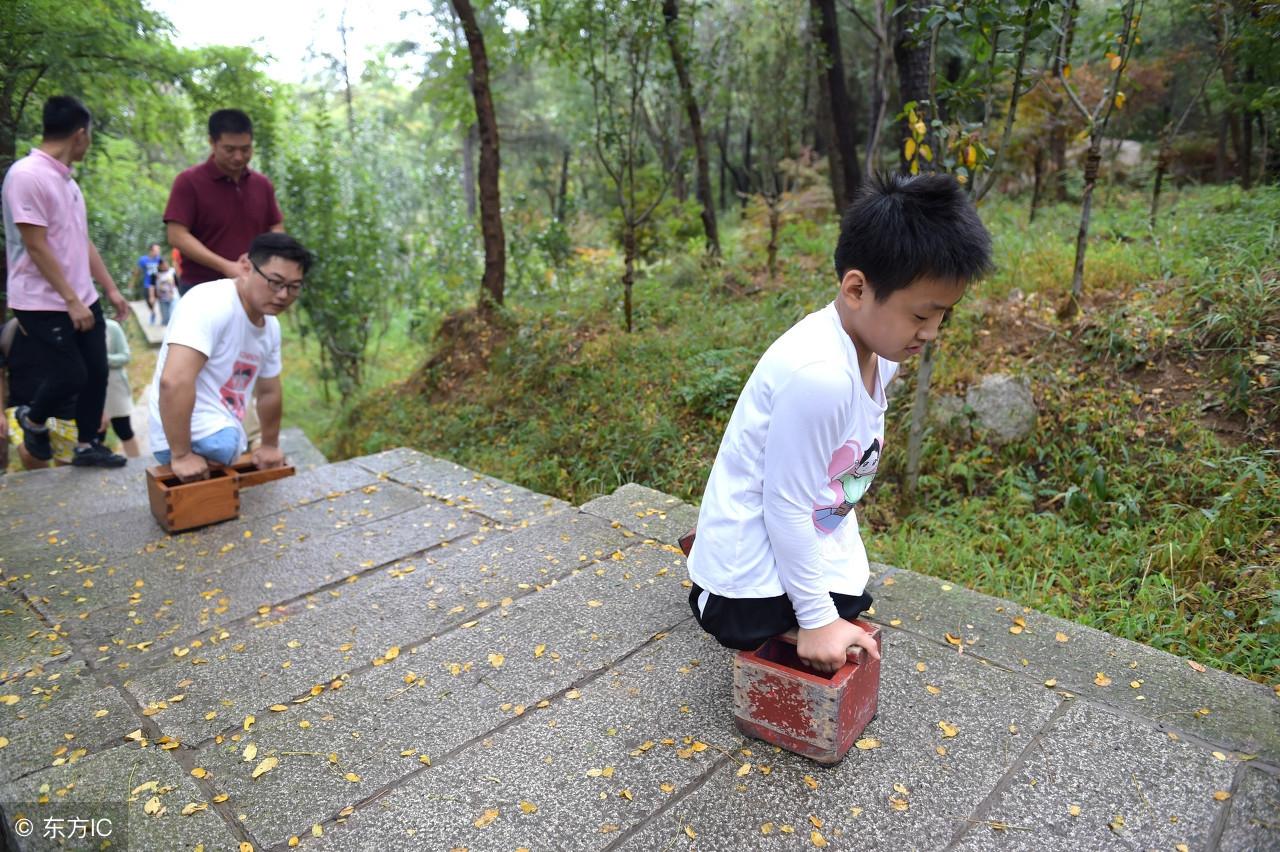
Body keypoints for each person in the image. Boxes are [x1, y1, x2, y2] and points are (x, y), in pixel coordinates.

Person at [685, 173, 992, 673]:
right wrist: (815, 619)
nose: (932, 333)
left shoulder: (880, 351)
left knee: (849, 602)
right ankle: (707, 580)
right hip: (771, 516)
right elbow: (784, 505)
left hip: (814, 515)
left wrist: (825, 615)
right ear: (856, 289)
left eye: (943, 317)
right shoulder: (821, 376)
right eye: (921, 316)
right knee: (750, 618)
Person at [2, 95, 130, 468]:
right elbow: (36, 246)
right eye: (89, 136)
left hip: (80, 295)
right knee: (70, 372)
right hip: (42, 301)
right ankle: (33, 418)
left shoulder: (67, 182)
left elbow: (80, 240)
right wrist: (71, 300)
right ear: (80, 134)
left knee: (97, 370)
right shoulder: (26, 176)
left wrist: (108, 288)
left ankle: (88, 444)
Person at [148, 232, 312, 482]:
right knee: (225, 444)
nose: (282, 295)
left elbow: (269, 391)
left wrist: (269, 445)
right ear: (246, 267)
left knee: (229, 441)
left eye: (294, 287)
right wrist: (181, 455)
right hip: (179, 434)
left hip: (221, 423)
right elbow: (174, 381)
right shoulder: (209, 303)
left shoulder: (270, 327)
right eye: (275, 282)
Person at [164, 109, 284, 296]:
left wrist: (263, 258)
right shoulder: (189, 182)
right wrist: (226, 266)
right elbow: (176, 235)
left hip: (254, 286)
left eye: (245, 149)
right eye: (229, 149)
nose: (238, 157)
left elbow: (276, 227)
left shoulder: (262, 184)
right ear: (212, 142)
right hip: (202, 288)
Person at [98, 316, 140, 457]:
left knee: (124, 429)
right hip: (91, 389)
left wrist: (101, 358)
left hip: (115, 387)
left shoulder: (112, 327)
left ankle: (137, 466)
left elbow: (125, 356)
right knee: (97, 433)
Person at [130, 242, 162, 323]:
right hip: (147, 283)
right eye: (156, 250)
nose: (158, 251)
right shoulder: (143, 260)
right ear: (151, 251)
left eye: (159, 250)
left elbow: (165, 268)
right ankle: (153, 312)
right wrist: (132, 282)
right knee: (148, 301)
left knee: (155, 299)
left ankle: (164, 316)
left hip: (157, 283)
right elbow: (137, 272)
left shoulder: (159, 259)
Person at [154, 257, 177, 324]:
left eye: (166, 264)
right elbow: (153, 286)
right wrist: (153, 296)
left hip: (173, 296)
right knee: (165, 318)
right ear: (159, 266)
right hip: (162, 298)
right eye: (163, 265)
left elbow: (177, 282)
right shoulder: (156, 274)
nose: (165, 266)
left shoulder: (172, 271)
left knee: (174, 315)